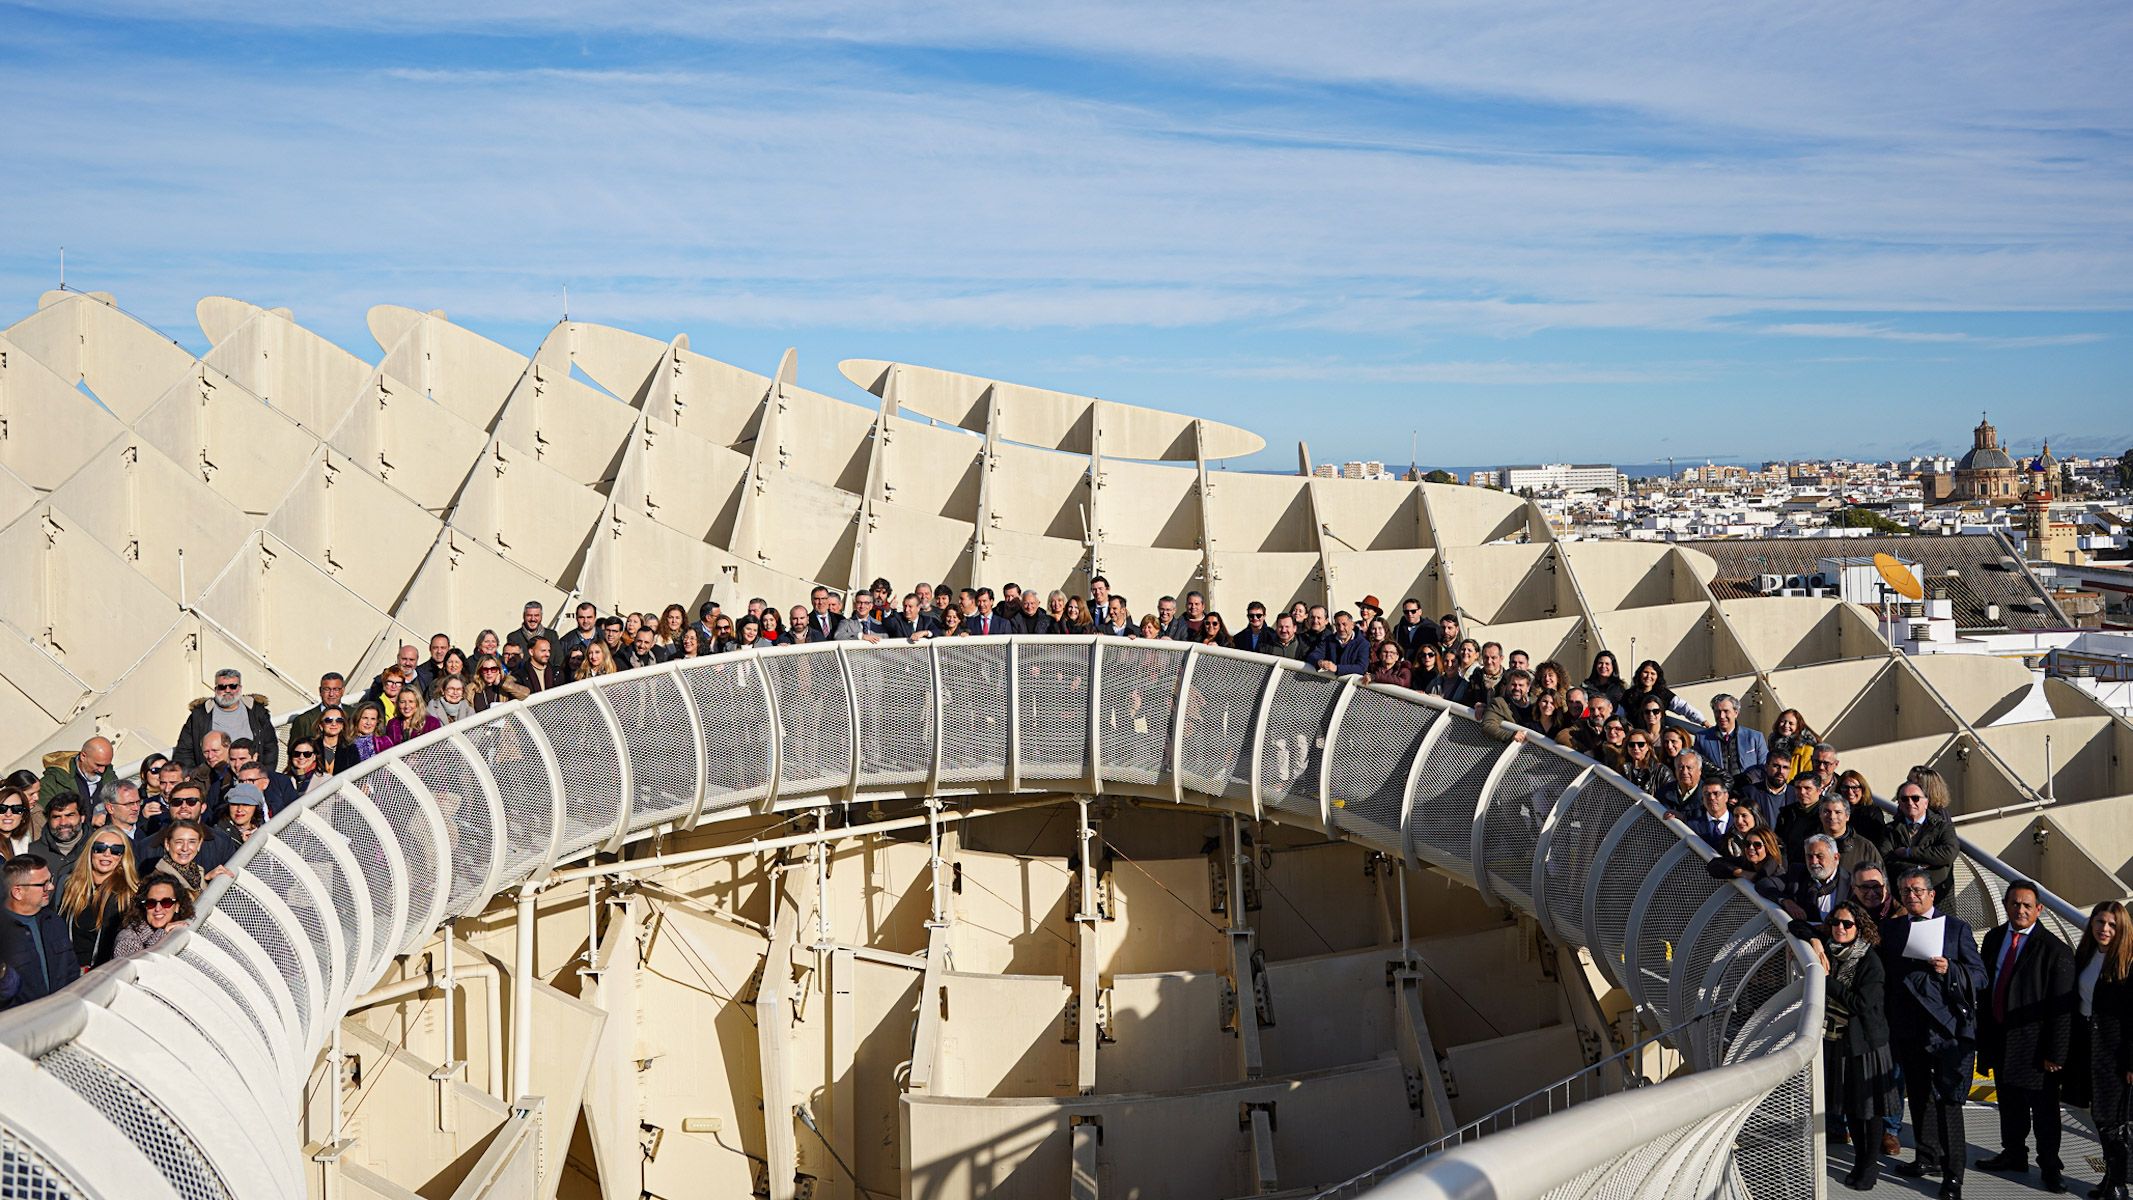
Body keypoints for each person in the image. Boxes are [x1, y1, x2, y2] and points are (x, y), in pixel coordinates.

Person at [1884, 868, 1987, 1194]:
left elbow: (1980, 977)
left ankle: (1953, 1173)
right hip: (1909, 1027)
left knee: (1949, 1102)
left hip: (1948, 1030)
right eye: (1904, 890)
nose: (1910, 895)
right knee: (1917, 1095)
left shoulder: (1956, 929)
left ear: (1931, 894)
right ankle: (1926, 1156)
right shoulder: (1893, 929)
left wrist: (1950, 969)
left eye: (1916, 890)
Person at [1975, 881, 2076, 1190]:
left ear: (2039, 910)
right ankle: (2014, 1153)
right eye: (2015, 904)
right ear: (2006, 905)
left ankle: (2049, 1167)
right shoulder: (1993, 939)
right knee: (2009, 1104)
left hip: (2036, 1050)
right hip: (2001, 1039)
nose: (2020, 910)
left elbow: (2063, 1010)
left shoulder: (2055, 950)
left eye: (2027, 906)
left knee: (2045, 1112)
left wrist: (2055, 1055)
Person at [1806, 899, 1898, 1191]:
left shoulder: (1870, 960)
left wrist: (1827, 980)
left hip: (1866, 1045)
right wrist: (1816, 944)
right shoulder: (1829, 950)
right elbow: (1796, 924)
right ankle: (1859, 1162)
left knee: (1868, 1111)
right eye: (1835, 923)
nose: (1840, 928)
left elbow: (1862, 1003)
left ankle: (1868, 1167)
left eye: (1847, 924)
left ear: (1860, 927)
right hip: (1840, 1042)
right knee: (1850, 1109)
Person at [2073, 902, 2133, 1199]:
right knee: (2100, 1116)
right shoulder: (2086, 955)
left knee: (2112, 1120)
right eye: (2099, 922)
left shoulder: (2128, 964)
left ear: (2122, 929)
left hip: (2116, 1053)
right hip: (2087, 1046)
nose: (2104, 929)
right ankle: (2111, 1180)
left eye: (2111, 925)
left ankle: (2118, 1184)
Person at [1, 852, 76, 1003]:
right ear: (18, 892)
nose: (51, 887)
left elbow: (71, 971)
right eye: (43, 884)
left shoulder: (53, 921)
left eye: (51, 880)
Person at [58, 829, 137, 969]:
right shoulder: (69, 885)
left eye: (116, 850)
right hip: (67, 973)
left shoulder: (129, 894)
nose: (107, 854)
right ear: (90, 851)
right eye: (100, 848)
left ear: (123, 856)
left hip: (104, 976)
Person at [175, 668, 279, 773]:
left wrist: (264, 774)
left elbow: (270, 746)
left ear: (240, 688)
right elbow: (184, 751)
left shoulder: (257, 712)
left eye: (233, 686)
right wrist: (195, 778)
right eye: (222, 687)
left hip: (250, 777)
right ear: (215, 689)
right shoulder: (200, 715)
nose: (227, 690)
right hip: (212, 779)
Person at [1882, 781, 1958, 906]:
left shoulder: (1942, 827)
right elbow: (1886, 859)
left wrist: (1909, 852)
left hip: (1939, 899)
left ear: (1926, 802)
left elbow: (1948, 853)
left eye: (1915, 798)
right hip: (1903, 901)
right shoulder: (1890, 830)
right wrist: (1918, 868)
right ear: (1899, 804)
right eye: (1904, 799)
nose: (1910, 803)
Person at [1695, 694, 1769, 786]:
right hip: (1719, 793)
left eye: (1726, 711)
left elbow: (1765, 766)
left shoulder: (1755, 737)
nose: (1722, 716)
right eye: (1717, 711)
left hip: (1748, 791)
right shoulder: (1702, 738)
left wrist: (1748, 779)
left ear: (1736, 713)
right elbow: (1699, 769)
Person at [111, 877, 192, 960]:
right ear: (144, 906)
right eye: (151, 903)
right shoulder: (127, 940)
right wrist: (161, 937)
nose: (157, 908)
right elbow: (142, 970)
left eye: (166, 902)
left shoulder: (184, 927)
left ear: (177, 906)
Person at [1778, 834, 1850, 923]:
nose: (1814, 862)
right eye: (1809, 856)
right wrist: (1787, 901)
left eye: (1820, 856)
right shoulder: (1798, 873)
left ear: (1836, 857)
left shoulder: (1850, 883)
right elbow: (1765, 884)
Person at [38, 735, 117, 816]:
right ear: (83, 756)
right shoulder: (52, 782)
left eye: (106, 765)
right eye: (98, 765)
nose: (102, 770)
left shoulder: (109, 776)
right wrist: (88, 823)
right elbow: (45, 819)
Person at [285, 672, 347, 755]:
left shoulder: (356, 714)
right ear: (320, 691)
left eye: (336, 689)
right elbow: (293, 752)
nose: (331, 694)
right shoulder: (304, 720)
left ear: (342, 691)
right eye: (327, 689)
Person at [32, 795, 87, 887]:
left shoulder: (98, 848)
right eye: (56, 817)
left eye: (69, 815)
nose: (63, 822)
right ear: (48, 820)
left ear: (82, 818)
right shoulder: (32, 852)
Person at [1680, 778, 1736, 852]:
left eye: (1716, 793)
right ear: (1702, 799)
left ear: (1726, 796)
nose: (1712, 798)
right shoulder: (1692, 826)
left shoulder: (1738, 823)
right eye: (1707, 794)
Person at [1481, 669, 1536, 743]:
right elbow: (1487, 726)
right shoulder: (1499, 703)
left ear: (1528, 688)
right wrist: (1510, 735)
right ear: (1507, 685)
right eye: (1513, 684)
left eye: (1521, 685)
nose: (1517, 688)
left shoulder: (1536, 703)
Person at [1315, 611, 1369, 676]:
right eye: (1338, 625)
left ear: (1352, 625)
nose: (1341, 628)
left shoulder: (1363, 644)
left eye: (1344, 624)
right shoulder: (1328, 640)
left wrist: (1337, 668)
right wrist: (1320, 662)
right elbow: (1314, 654)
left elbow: (1361, 667)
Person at [0, 787, 40, 857]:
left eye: (16, 809)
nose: (8, 814)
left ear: (23, 815)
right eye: (1, 808)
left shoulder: (25, 845)